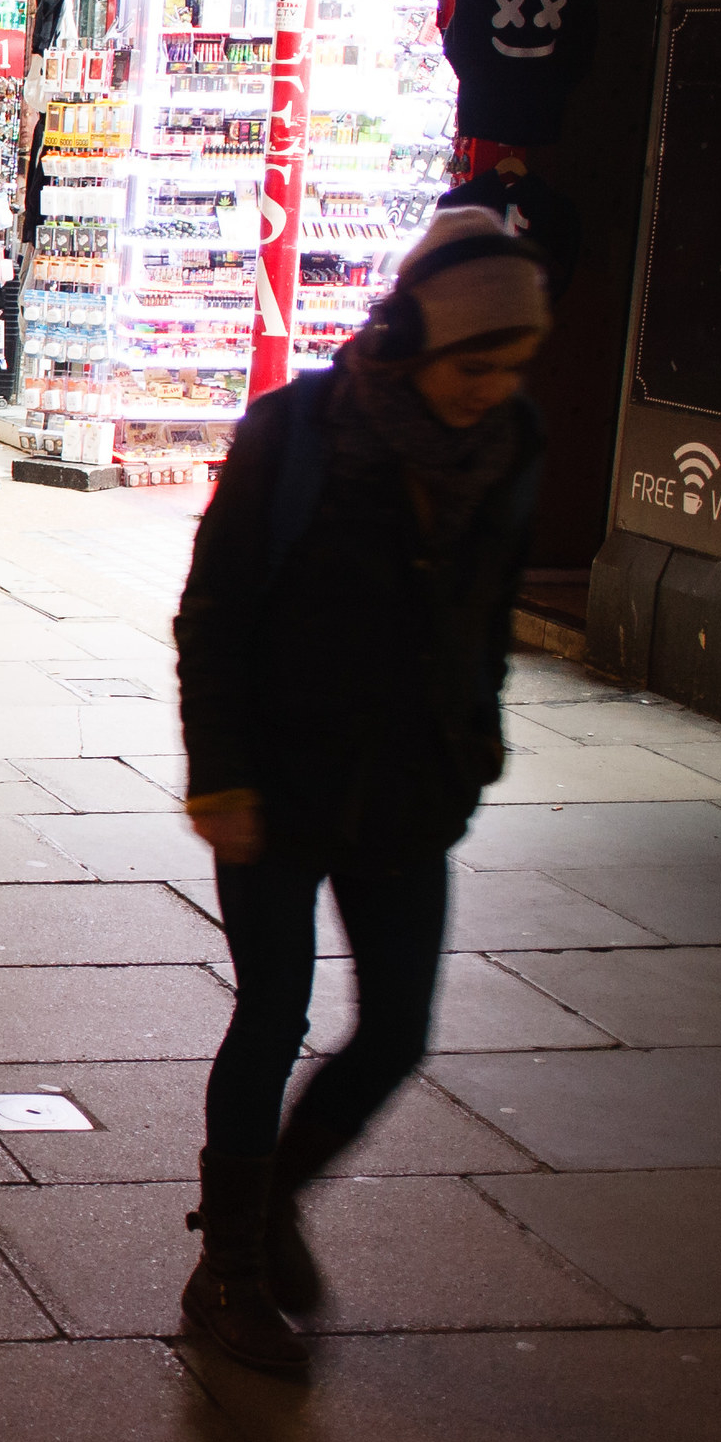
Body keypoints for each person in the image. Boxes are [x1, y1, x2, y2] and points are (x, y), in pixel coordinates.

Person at [171, 206, 552, 1380]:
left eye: (513, 364)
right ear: (407, 338)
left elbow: (486, 617)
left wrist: (473, 744)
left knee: (395, 1030)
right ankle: (226, 1270)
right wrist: (220, 774)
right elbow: (216, 614)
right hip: (278, 783)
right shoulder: (298, 434)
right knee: (274, 1011)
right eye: (471, 362)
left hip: (409, 786)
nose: (491, 386)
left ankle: (266, 1201)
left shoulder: (512, 447)